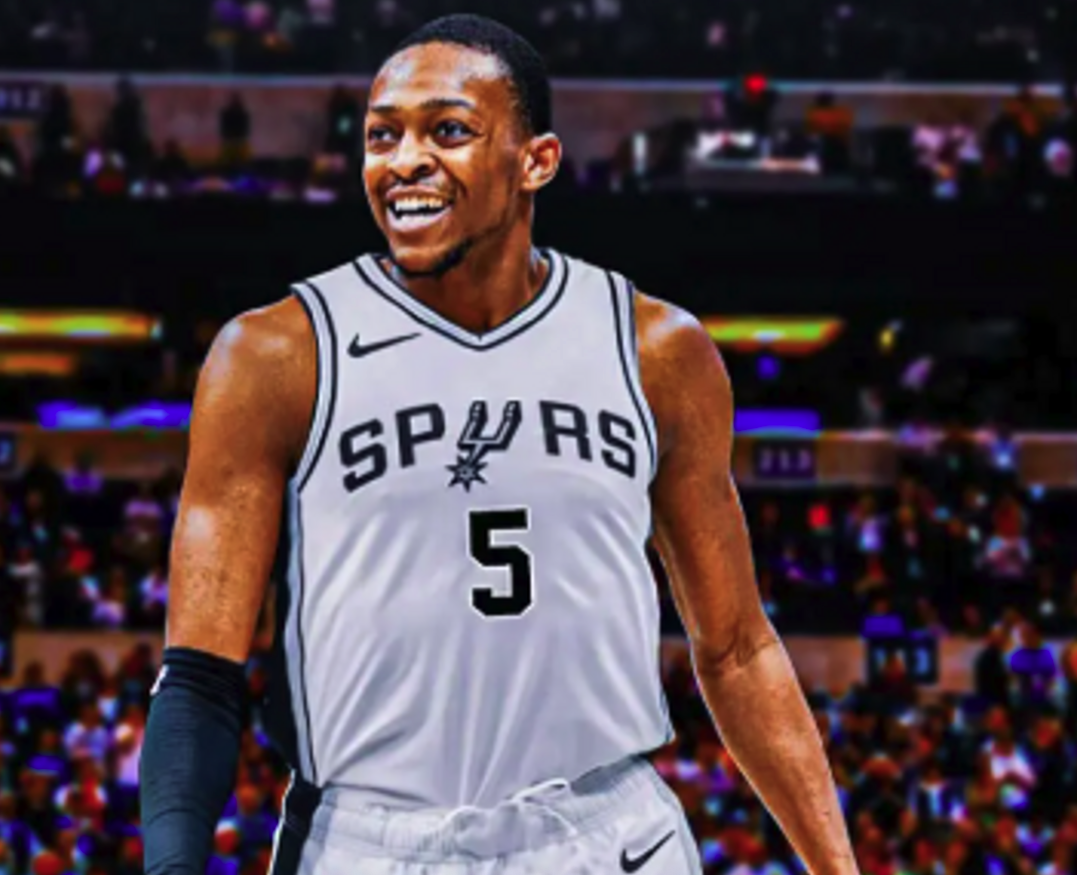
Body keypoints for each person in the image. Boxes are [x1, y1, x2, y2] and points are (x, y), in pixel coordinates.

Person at [140, 14, 857, 875]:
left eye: (447, 131)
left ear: (535, 161)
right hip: (370, 842)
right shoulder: (275, 355)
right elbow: (200, 676)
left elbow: (736, 648)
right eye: (381, 135)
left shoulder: (655, 351)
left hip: (610, 834)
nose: (404, 160)